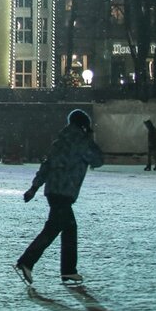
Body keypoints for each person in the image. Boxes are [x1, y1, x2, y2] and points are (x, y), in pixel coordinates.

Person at [15, 109, 104, 286]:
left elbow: (47, 165)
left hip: (53, 190)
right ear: (84, 125)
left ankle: (68, 271)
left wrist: (34, 188)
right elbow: (97, 161)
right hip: (65, 191)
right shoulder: (82, 141)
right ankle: (27, 261)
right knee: (53, 229)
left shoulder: (60, 140)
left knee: (69, 228)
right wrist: (91, 138)